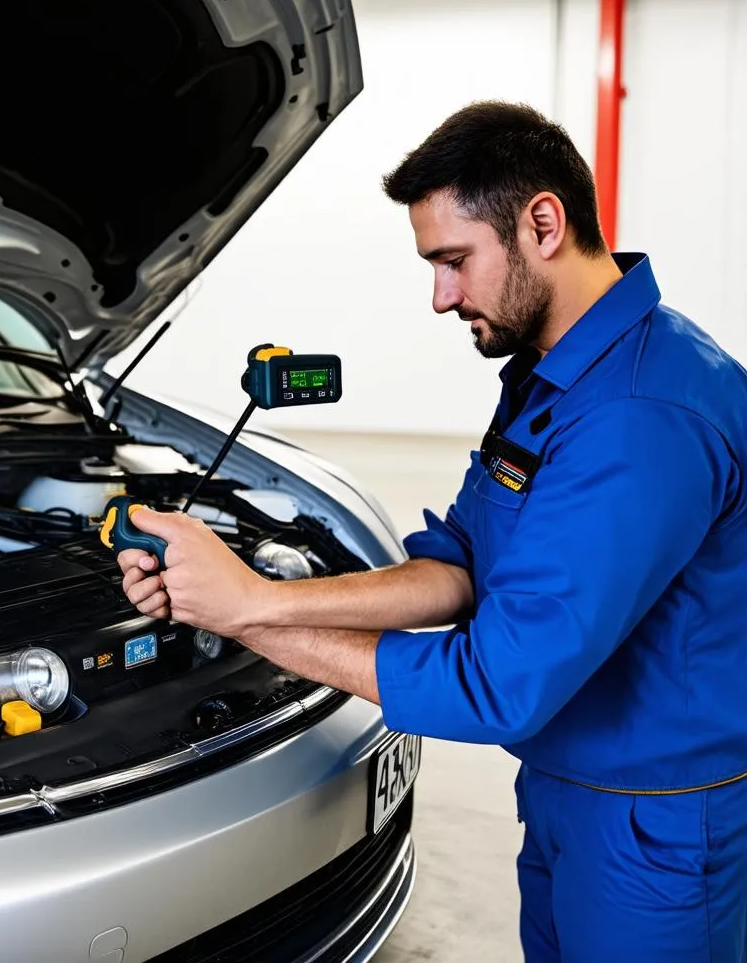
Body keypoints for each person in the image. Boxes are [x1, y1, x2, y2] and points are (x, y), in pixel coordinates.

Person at [115, 101, 747, 963]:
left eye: (454, 261)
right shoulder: (555, 375)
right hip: (570, 791)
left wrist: (243, 617)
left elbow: (496, 685)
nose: (442, 297)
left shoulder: (641, 415)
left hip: (655, 831)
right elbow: (461, 564)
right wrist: (258, 592)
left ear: (544, 224)